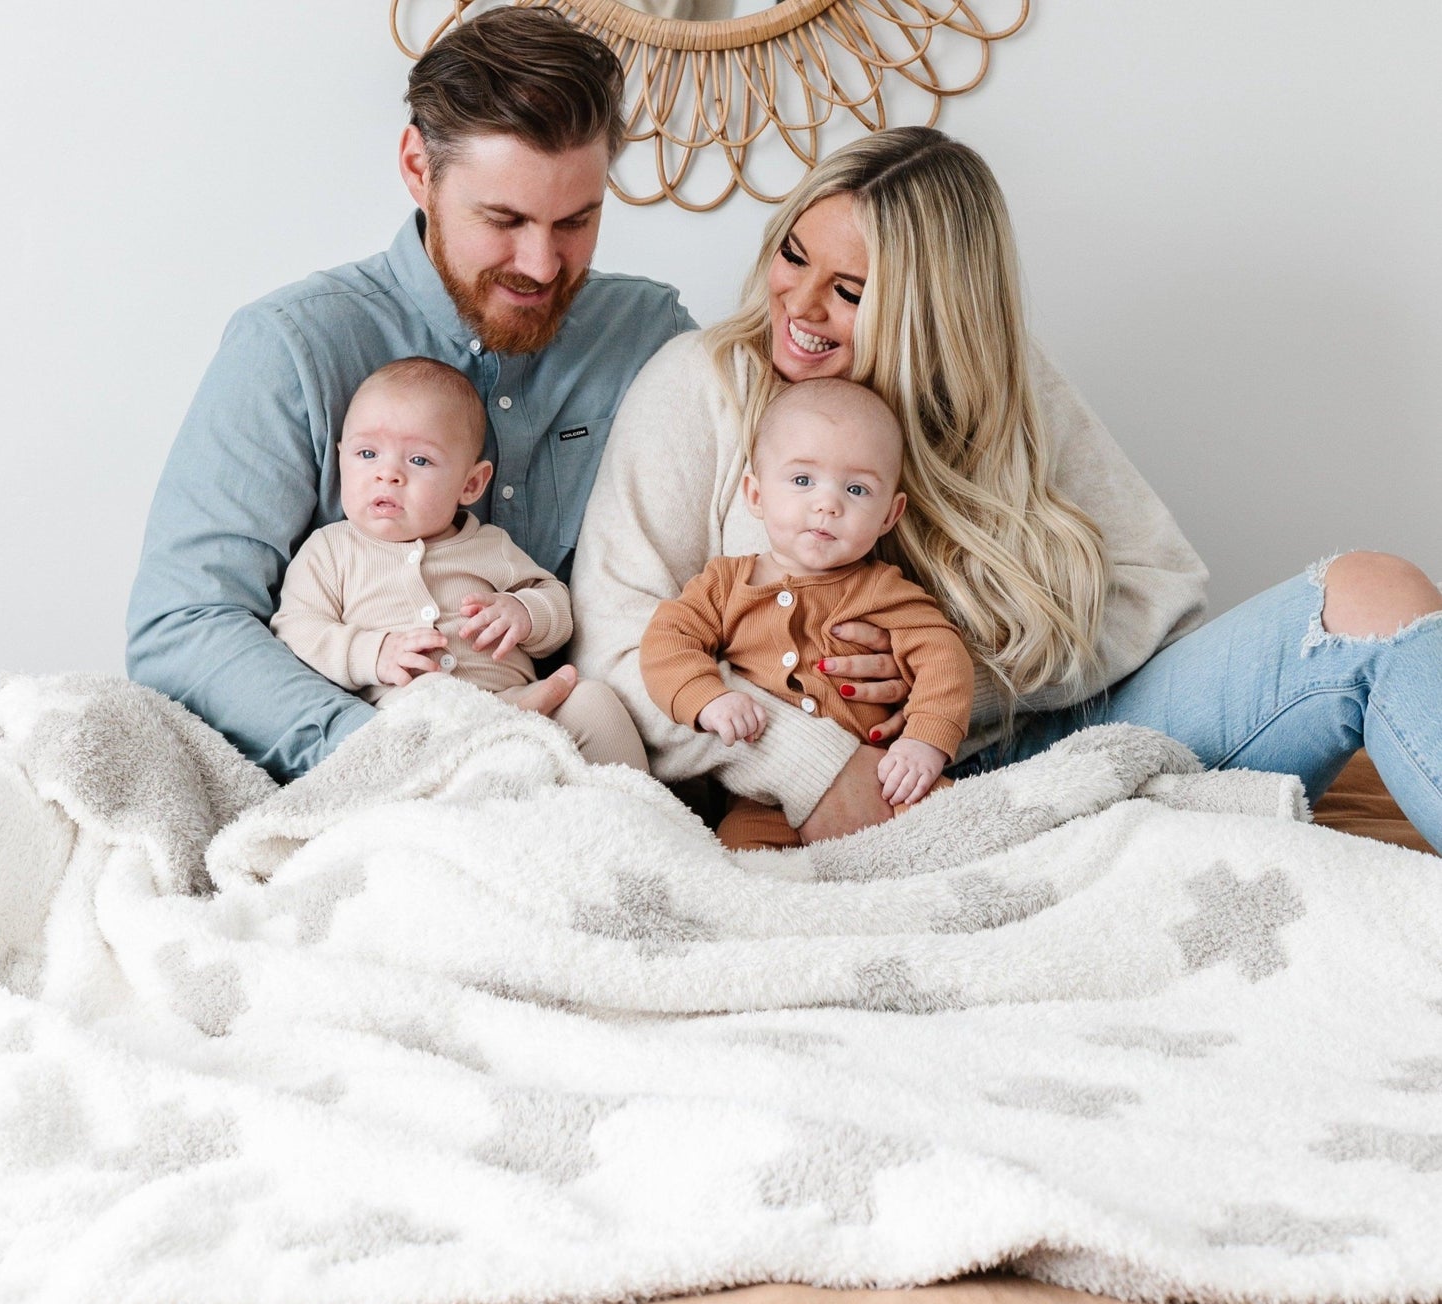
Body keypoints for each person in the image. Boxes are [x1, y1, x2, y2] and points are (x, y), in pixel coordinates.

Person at [572, 126, 1442, 851]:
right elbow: (613, 642)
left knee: (1377, 591)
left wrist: (957, 688)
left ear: (928, 311)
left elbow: (1157, 586)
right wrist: (812, 766)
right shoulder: (702, 383)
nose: (796, 305)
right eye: (792, 255)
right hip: (819, 790)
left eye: (848, 292)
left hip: (1051, 742)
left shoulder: (1004, 385)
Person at [126, 7, 693, 782]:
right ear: (417, 168)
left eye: (577, 220)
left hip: (589, 769)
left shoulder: (649, 336)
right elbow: (182, 624)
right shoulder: (290, 347)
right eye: (503, 218)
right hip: (373, 771)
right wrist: (399, 756)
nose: (542, 262)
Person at [639, 378, 973, 846]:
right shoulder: (723, 585)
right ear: (756, 495)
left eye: (857, 489)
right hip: (764, 800)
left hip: (885, 782)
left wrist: (926, 740)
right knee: (742, 865)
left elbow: (943, 657)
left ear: (889, 515)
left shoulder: (883, 590)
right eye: (802, 481)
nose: (827, 504)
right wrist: (707, 697)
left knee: (967, 829)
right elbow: (666, 641)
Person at [271, 357, 648, 769]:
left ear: (470, 484)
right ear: (341, 458)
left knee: (592, 700)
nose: (388, 474)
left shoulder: (489, 546)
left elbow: (556, 605)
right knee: (419, 718)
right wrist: (371, 653)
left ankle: (633, 805)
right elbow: (296, 628)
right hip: (410, 716)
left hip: (516, 701)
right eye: (367, 453)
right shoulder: (331, 550)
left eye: (419, 461)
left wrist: (524, 612)